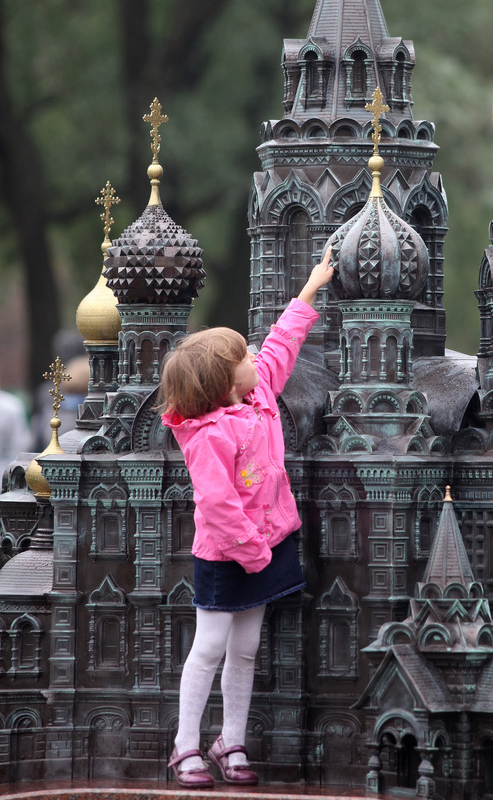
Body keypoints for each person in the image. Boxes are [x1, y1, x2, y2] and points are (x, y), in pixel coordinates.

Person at [161, 247, 333, 788]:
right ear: (225, 384)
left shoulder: (257, 397)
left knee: (246, 649)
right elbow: (217, 505)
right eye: (243, 355)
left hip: (267, 543)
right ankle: (185, 745)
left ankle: (230, 741)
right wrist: (255, 553)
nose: (255, 353)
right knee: (209, 646)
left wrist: (309, 288)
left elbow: (281, 344)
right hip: (232, 552)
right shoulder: (210, 435)